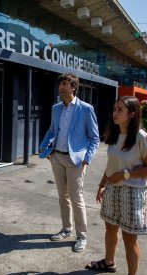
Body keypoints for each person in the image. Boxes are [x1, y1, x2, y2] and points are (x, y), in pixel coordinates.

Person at [85, 96, 147, 275]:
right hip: (112, 188)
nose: (114, 113)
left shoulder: (141, 137)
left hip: (133, 192)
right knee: (110, 227)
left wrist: (125, 175)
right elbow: (111, 164)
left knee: (129, 238)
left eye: (120, 110)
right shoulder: (114, 133)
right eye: (114, 109)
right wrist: (102, 184)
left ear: (131, 114)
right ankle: (108, 262)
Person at [39, 73, 100, 252]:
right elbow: (52, 130)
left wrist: (87, 159)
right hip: (57, 157)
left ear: (73, 87)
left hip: (76, 161)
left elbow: (95, 138)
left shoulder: (86, 109)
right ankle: (66, 229)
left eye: (65, 84)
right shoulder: (56, 108)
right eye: (60, 85)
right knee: (62, 196)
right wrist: (44, 147)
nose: (61, 87)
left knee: (76, 198)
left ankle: (82, 236)